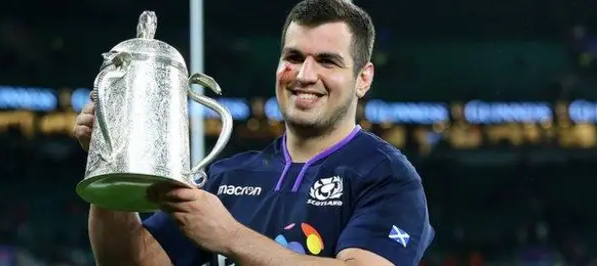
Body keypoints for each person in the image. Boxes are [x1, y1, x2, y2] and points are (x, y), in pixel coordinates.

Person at [74, 0, 434, 265]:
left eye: (327, 61)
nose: (305, 75)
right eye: (293, 58)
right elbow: (131, 261)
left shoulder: (386, 177)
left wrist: (229, 237)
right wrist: (108, 161)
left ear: (364, 78)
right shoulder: (227, 175)